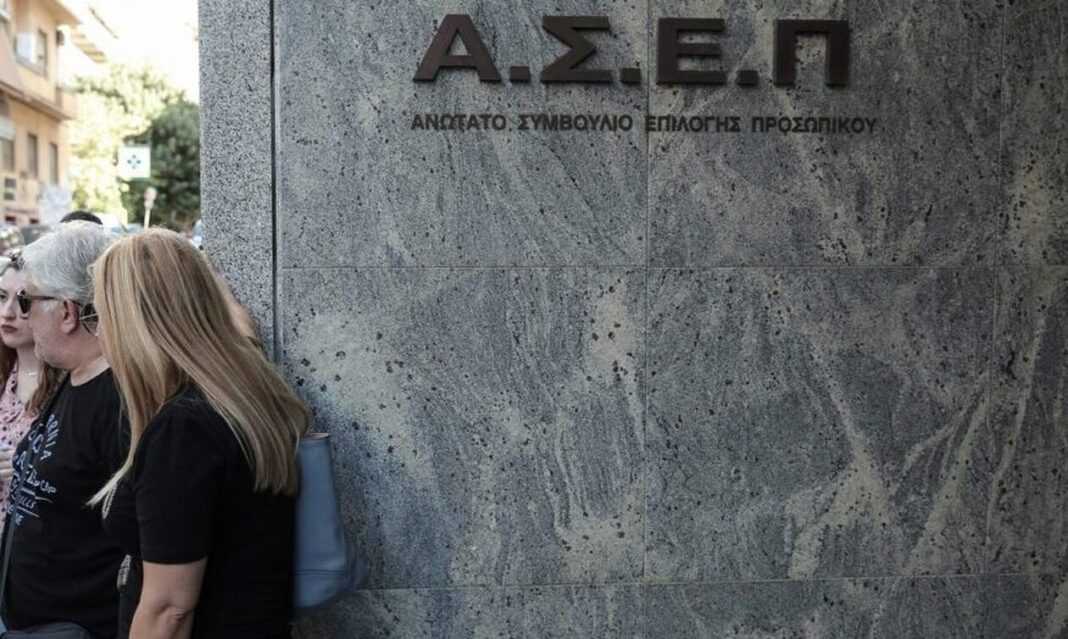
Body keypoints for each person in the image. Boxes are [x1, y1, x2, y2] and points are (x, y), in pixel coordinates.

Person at [91, 229, 308, 639]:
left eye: (102, 315)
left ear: (135, 323)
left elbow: (169, 610)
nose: (100, 332)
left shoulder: (182, 431)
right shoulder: (242, 393)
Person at [1, 222, 125, 638]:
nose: (20, 314)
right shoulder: (73, 376)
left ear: (68, 312)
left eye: (27, 300)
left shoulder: (117, 401)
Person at [0, 249, 63, 529]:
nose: (7, 312)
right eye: (2, 297)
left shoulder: (70, 383)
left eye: (22, 300)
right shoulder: (5, 375)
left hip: (36, 538)